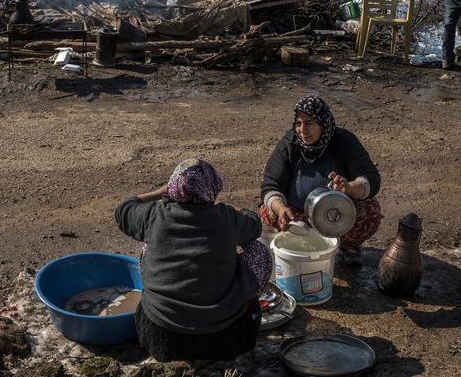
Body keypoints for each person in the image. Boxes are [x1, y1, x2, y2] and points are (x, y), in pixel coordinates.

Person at [115, 158, 272, 362]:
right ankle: (244, 310)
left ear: (173, 188)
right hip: (225, 337)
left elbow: (123, 209)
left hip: (161, 336)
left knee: (148, 246)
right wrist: (225, 207)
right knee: (257, 250)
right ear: (213, 188)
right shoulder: (227, 218)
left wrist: (161, 192)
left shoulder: (154, 215)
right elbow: (254, 223)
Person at [260, 95, 382, 267]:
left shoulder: (344, 142)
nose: (303, 130)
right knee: (267, 213)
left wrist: (350, 187)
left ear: (323, 123)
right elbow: (271, 185)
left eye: (309, 123)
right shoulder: (290, 145)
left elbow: (371, 178)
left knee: (370, 211)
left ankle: (349, 246)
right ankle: (294, 248)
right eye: (298, 123)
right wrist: (281, 210)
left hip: (335, 214)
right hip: (298, 215)